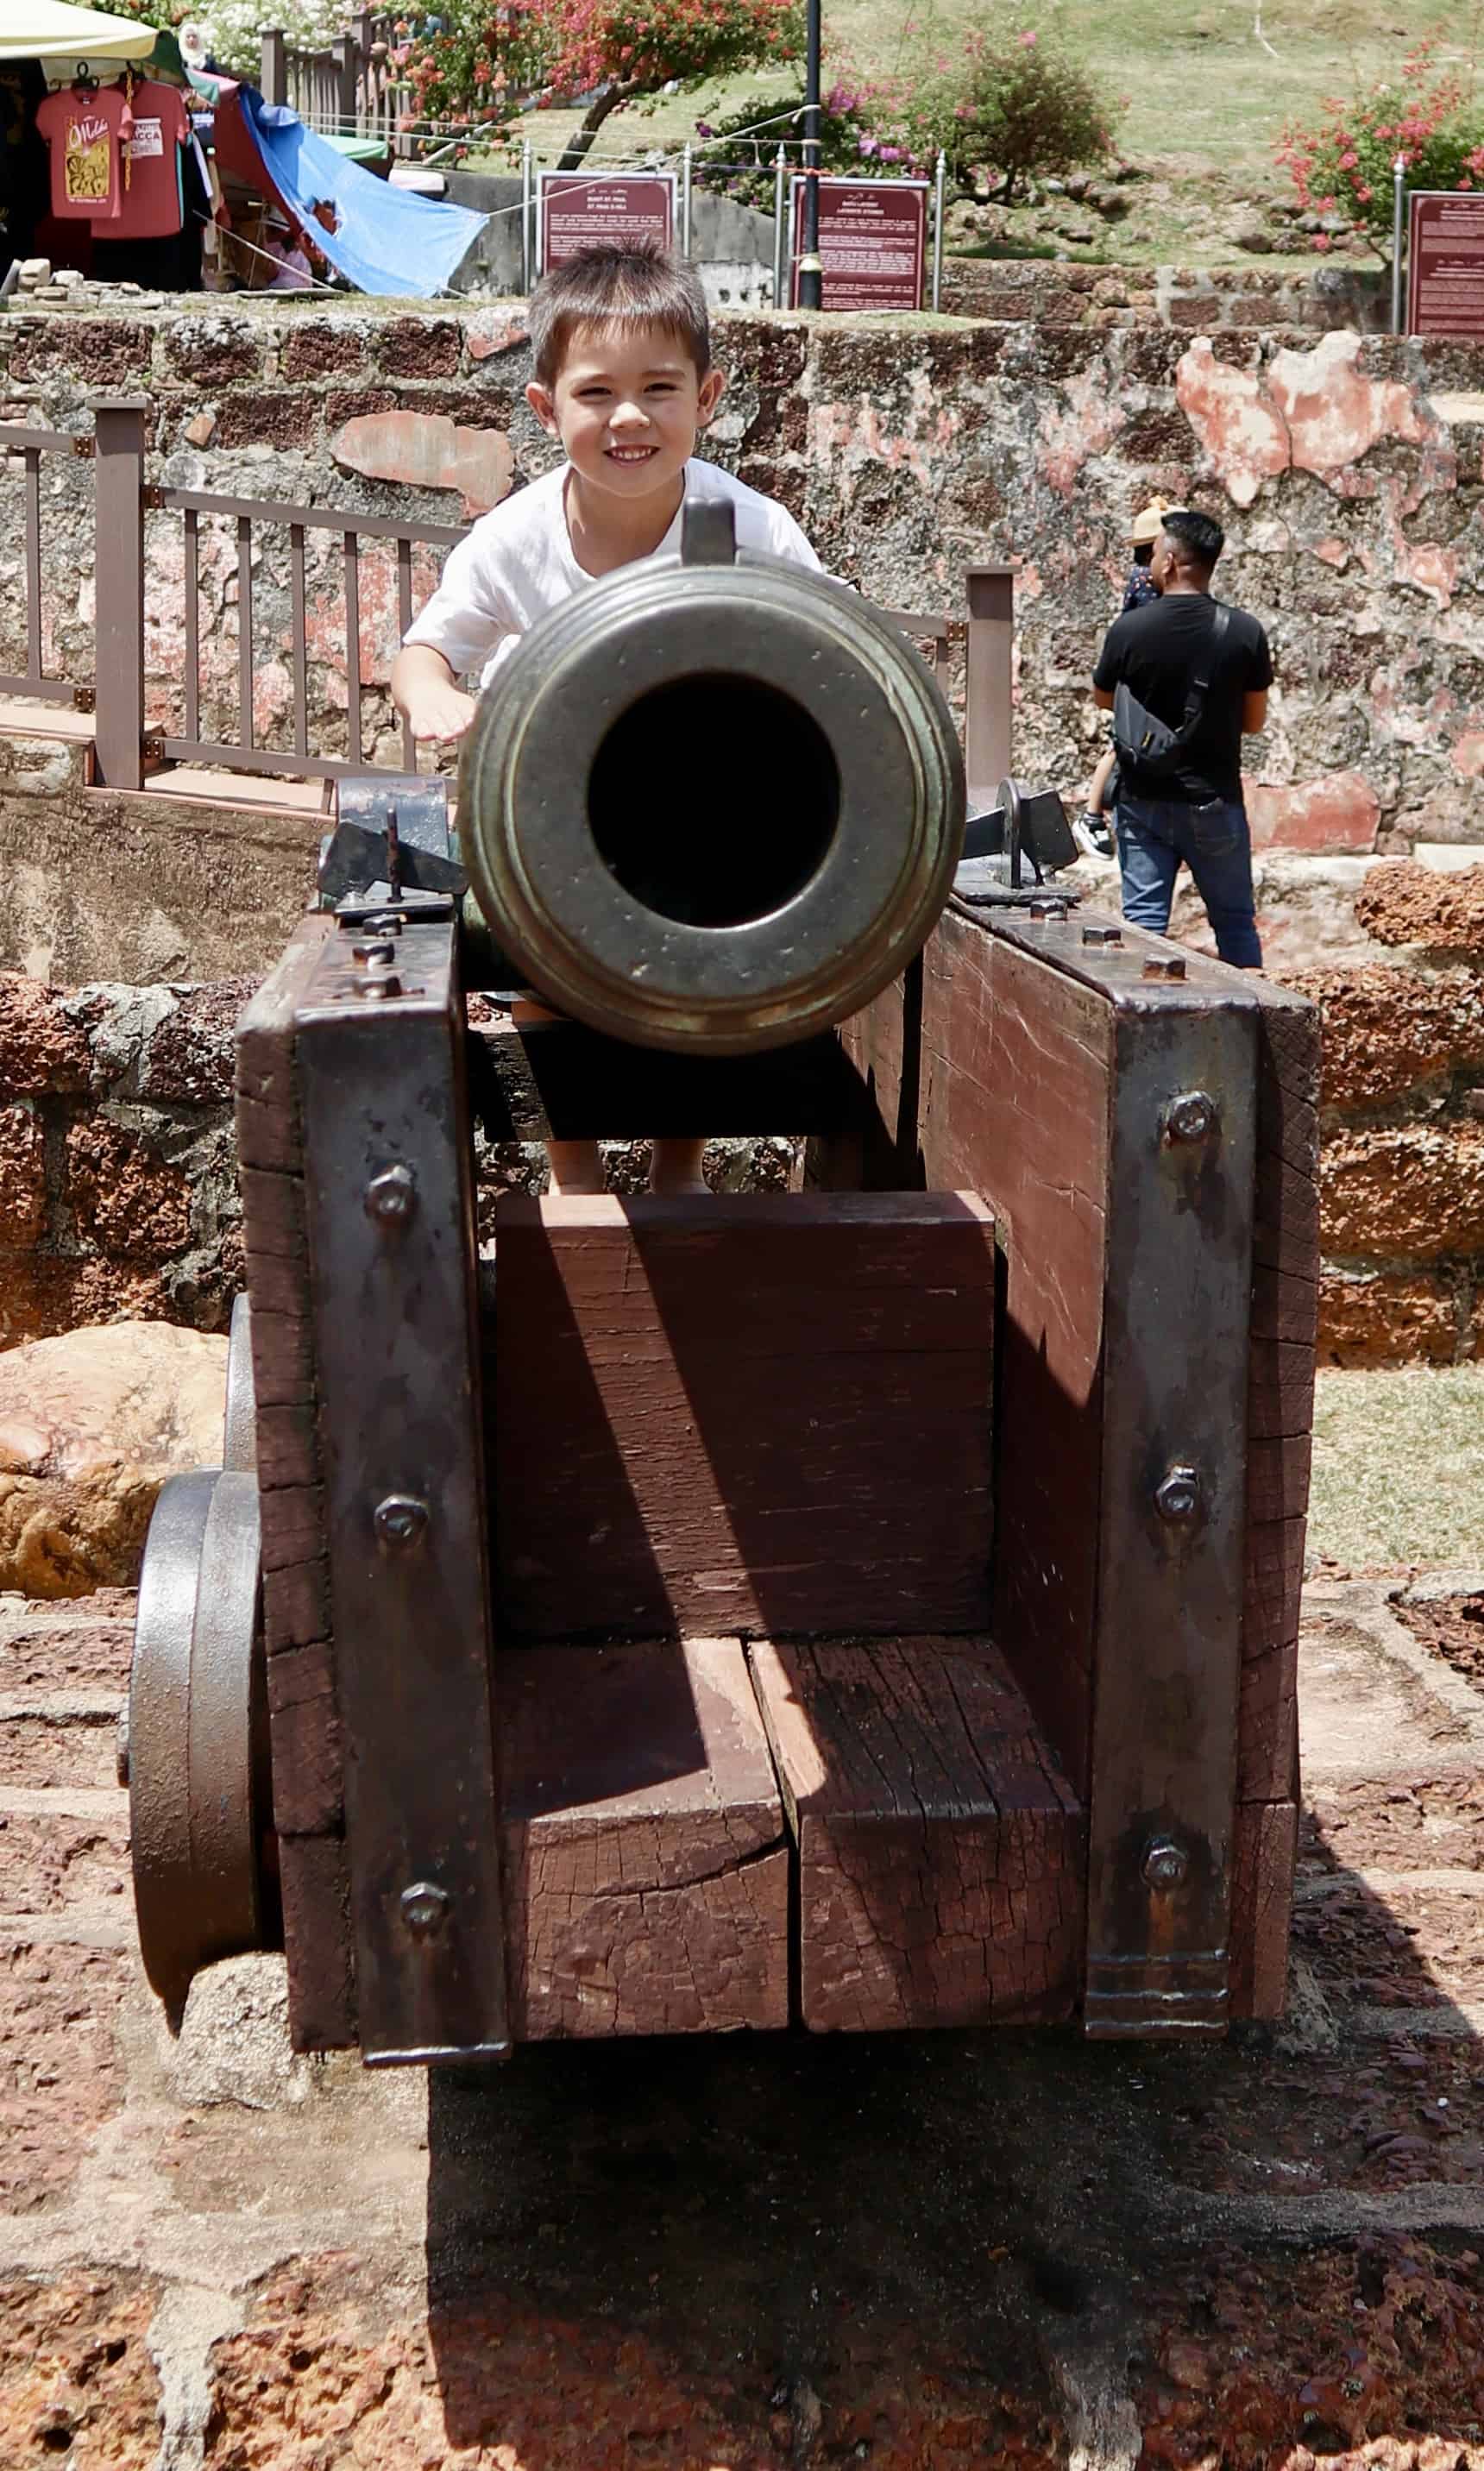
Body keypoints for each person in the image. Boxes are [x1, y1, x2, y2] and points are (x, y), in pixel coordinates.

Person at [391, 238, 824, 1194]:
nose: (629, 418)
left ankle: (679, 1167)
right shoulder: (515, 538)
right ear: (547, 408)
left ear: (706, 399)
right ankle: (574, 1170)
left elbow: (835, 652)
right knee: (536, 962)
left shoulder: (753, 528)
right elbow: (425, 652)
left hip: (701, 813)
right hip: (555, 823)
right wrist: (442, 698)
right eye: (596, 393)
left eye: (660, 390)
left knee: (708, 972)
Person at [1091, 507, 1273, 970]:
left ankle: (1143, 1028)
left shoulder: (1129, 629)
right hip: (1215, 801)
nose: (1150, 563)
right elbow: (1253, 722)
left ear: (1170, 561)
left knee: (1145, 928)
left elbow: (1103, 699)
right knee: (1234, 925)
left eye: (1153, 554)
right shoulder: (1245, 632)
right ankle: (1258, 1032)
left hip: (1143, 799)